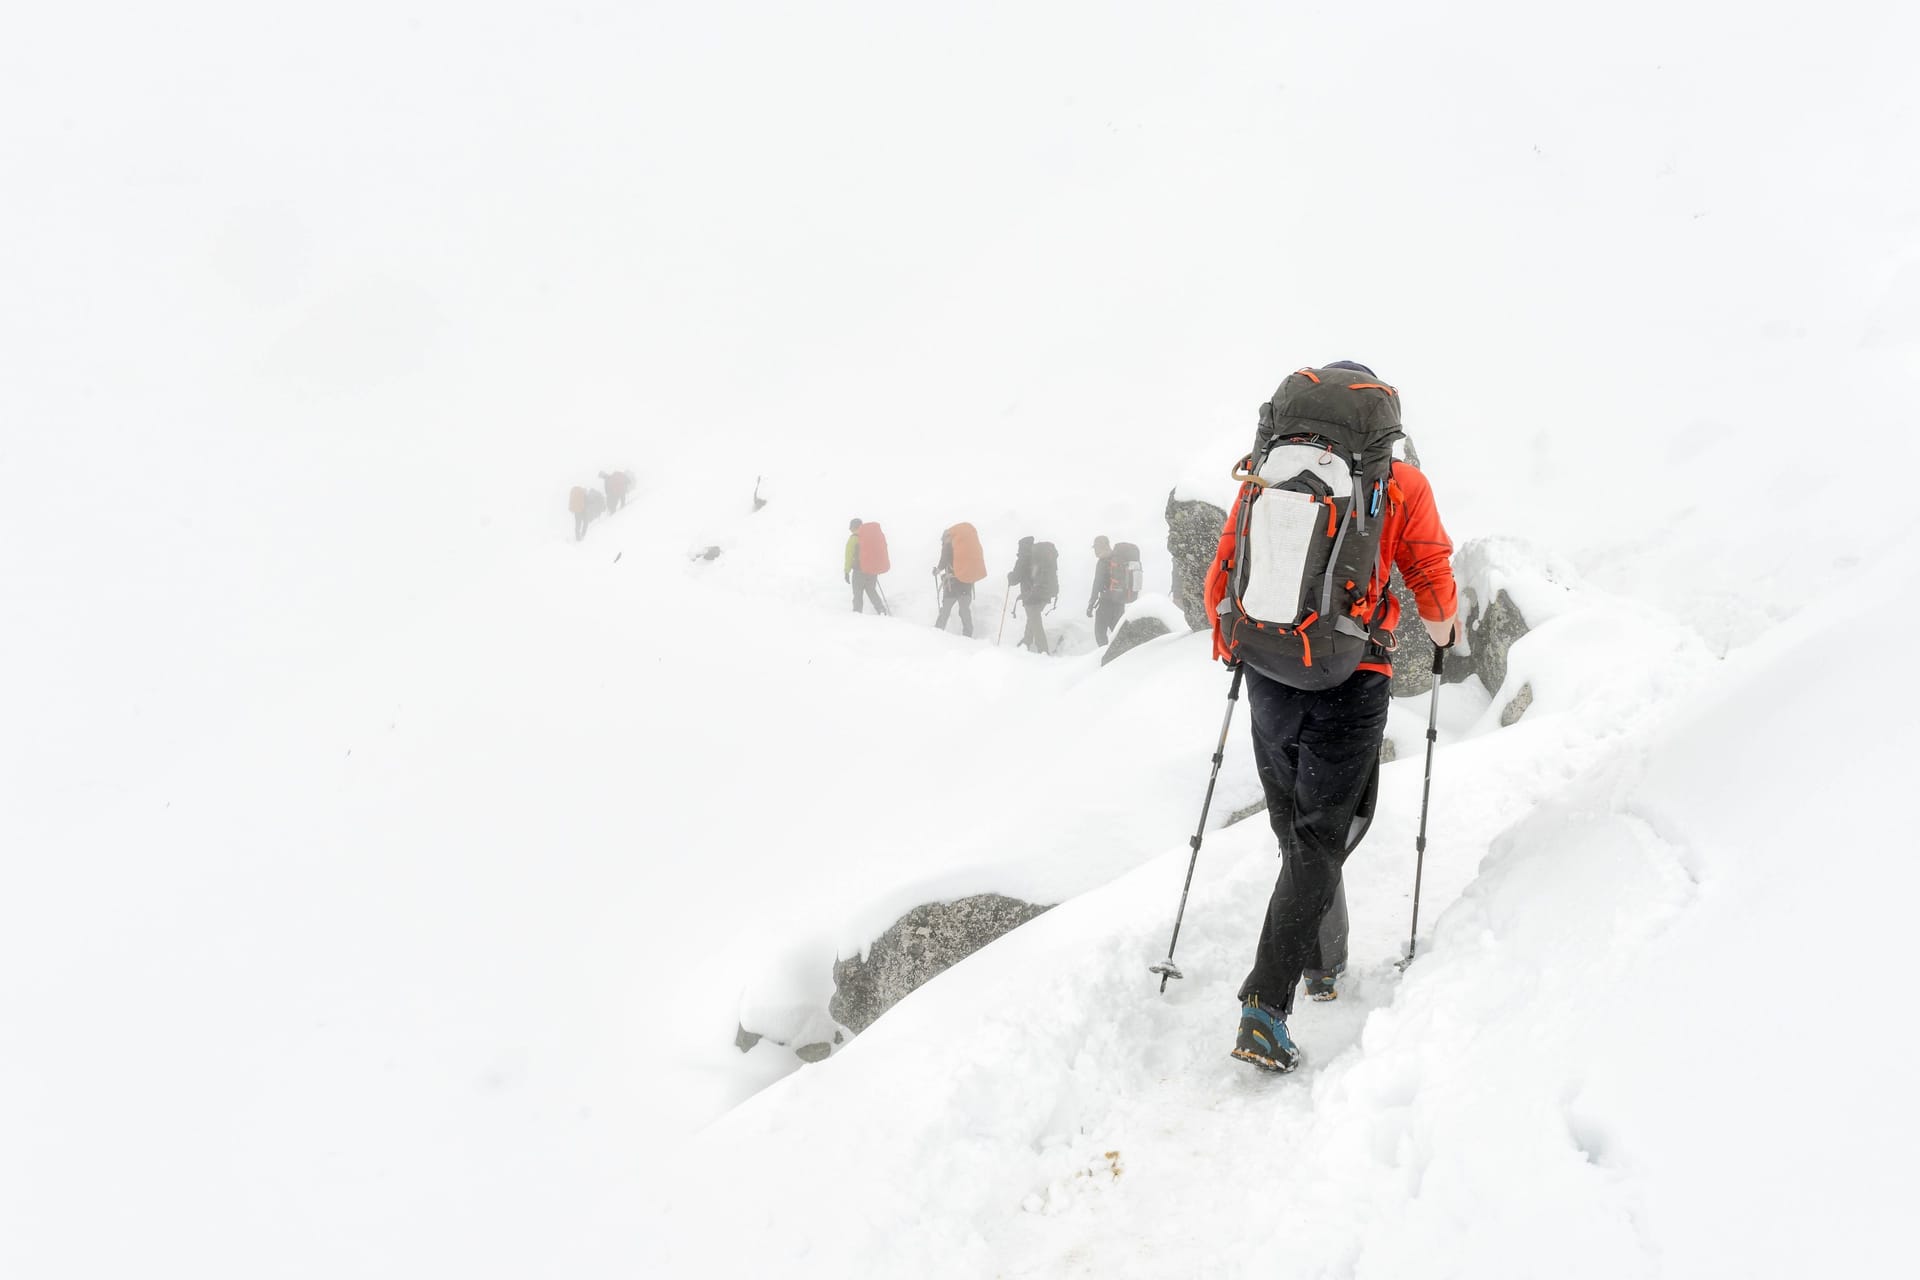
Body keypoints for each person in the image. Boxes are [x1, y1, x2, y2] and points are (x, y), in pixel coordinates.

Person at [1209, 360, 1459, 1074]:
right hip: (1353, 676)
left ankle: (1324, 964)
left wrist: (1237, 645)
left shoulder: (1266, 473)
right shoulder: (1398, 483)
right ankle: (1267, 1004)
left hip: (1267, 666)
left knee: (1297, 832)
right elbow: (1431, 575)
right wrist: (1444, 635)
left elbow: (1227, 563)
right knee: (1324, 835)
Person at [933, 522, 985, 638]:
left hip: (952, 584)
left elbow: (944, 561)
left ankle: (936, 632)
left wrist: (937, 570)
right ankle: (968, 634)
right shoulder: (964, 546)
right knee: (964, 611)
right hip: (966, 583)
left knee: (945, 611)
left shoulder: (947, 545)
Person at [1006, 536, 1057, 653]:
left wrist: (1009, 576)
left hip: (1031, 595)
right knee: (1033, 618)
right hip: (1044, 593)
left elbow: (1015, 579)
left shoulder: (1023, 557)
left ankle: (1043, 650)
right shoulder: (1039, 555)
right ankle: (1026, 642)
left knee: (1035, 621)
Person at [1086, 536, 1125, 645]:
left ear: (1101, 547)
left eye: (1096, 548)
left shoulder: (1102, 562)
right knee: (1118, 632)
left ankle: (1106, 658)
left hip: (1106, 603)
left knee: (1100, 633)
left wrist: (1091, 604)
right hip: (1120, 602)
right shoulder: (1118, 559)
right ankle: (1124, 656)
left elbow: (1097, 584)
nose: (1095, 551)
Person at [844, 517, 888, 614]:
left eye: (850, 527)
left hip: (859, 572)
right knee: (872, 591)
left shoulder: (854, 538)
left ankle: (857, 613)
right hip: (871, 571)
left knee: (857, 594)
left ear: (853, 527)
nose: (849, 529)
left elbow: (849, 556)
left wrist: (846, 571)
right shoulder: (870, 537)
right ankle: (881, 610)